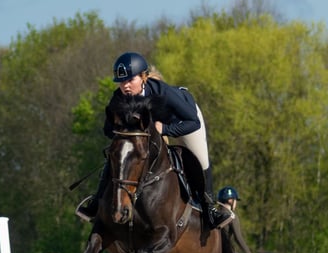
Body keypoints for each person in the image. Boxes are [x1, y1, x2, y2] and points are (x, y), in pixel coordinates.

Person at [76, 51, 233, 230]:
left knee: (200, 159)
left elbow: (193, 122)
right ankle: (96, 204)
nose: (125, 86)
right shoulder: (118, 98)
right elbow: (107, 130)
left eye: (130, 80)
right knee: (119, 157)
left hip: (183, 120)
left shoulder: (164, 93)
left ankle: (210, 210)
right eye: (121, 81)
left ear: (143, 77)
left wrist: (165, 129)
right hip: (152, 132)